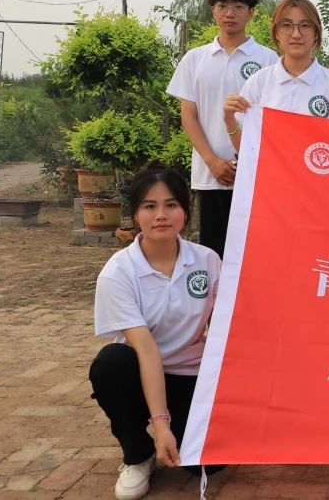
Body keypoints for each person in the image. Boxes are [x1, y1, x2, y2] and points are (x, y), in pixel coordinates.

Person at [88, 165, 223, 500]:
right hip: (139, 371)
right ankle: (138, 455)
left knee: (208, 465)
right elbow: (146, 349)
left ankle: (184, 431)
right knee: (111, 362)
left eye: (171, 205)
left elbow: (224, 332)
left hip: (190, 372)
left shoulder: (207, 261)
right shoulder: (119, 272)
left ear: (185, 212)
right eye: (150, 206)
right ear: (136, 214)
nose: (161, 215)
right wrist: (161, 425)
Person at [166, 0, 277, 260]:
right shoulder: (195, 59)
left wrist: (250, 162)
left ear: (251, 13)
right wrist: (212, 161)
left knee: (254, 254)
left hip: (255, 176)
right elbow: (189, 116)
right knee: (214, 255)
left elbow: (272, 121)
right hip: (210, 175)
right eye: (222, 6)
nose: (230, 13)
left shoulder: (269, 60)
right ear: (213, 11)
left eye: (238, 6)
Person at [223, 0, 329, 149]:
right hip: (268, 166)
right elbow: (247, 150)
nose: (296, 34)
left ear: (316, 33)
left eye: (305, 25)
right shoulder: (259, 82)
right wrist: (229, 120)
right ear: (276, 33)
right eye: (286, 25)